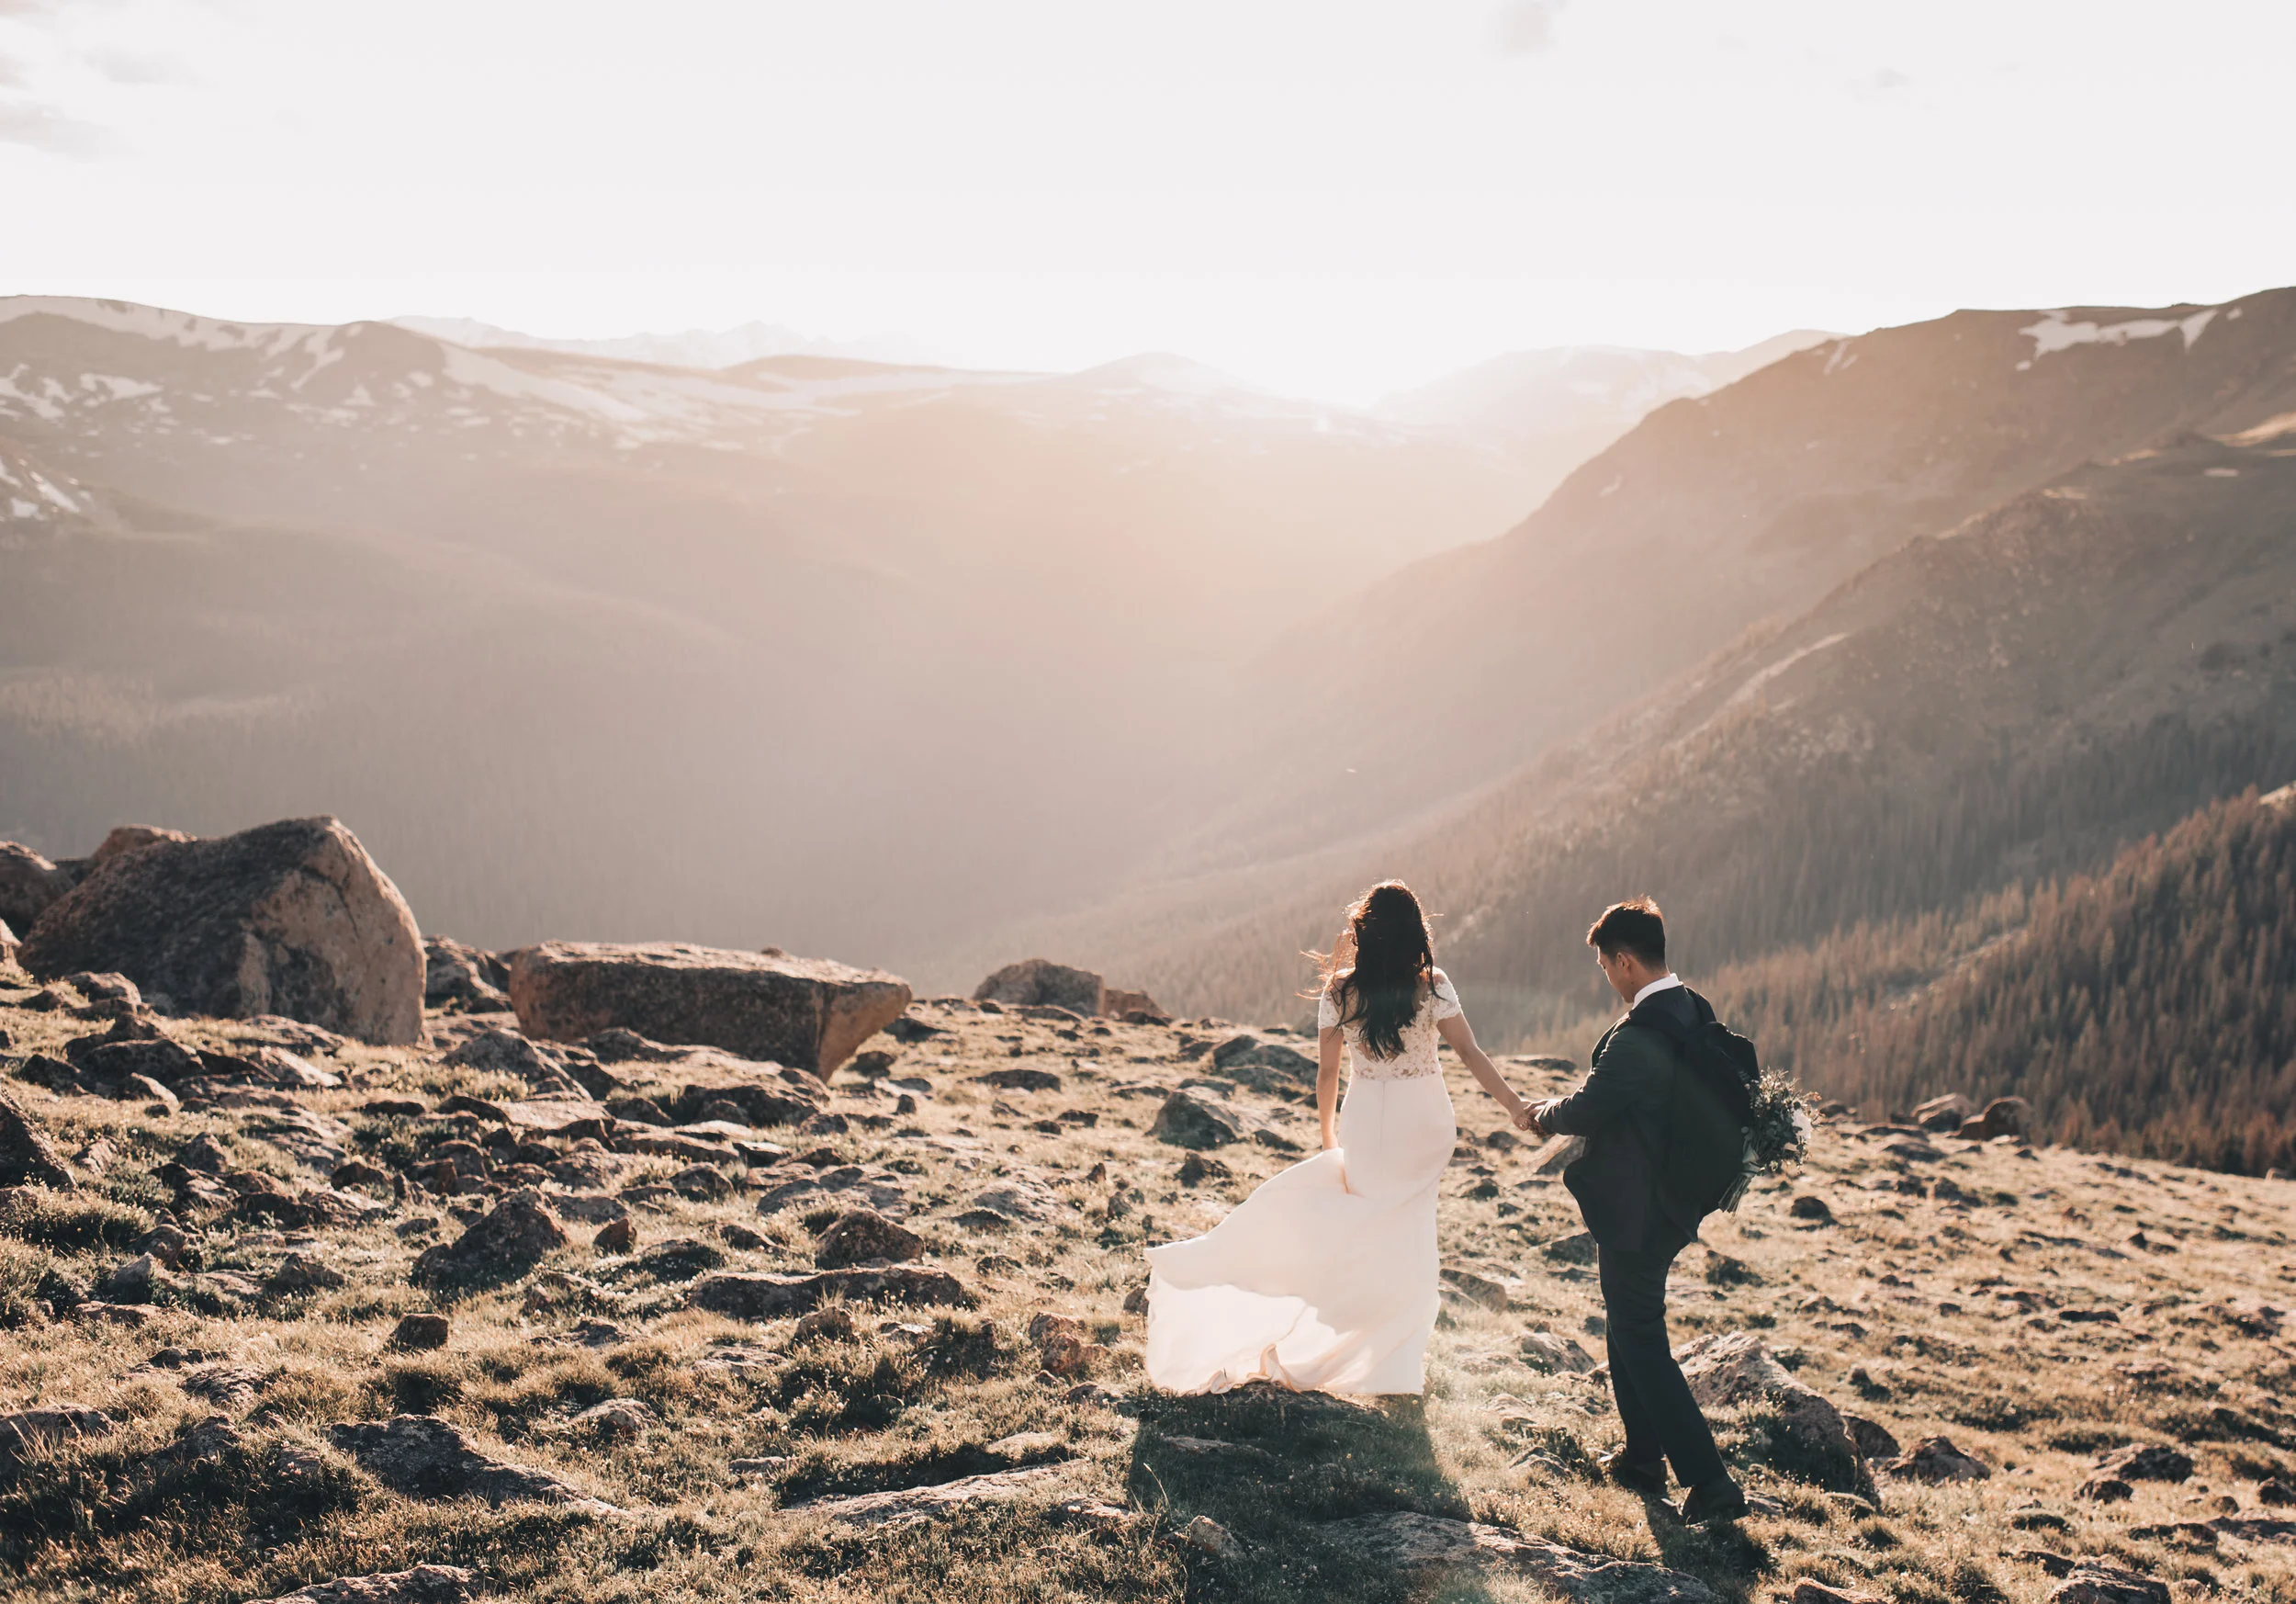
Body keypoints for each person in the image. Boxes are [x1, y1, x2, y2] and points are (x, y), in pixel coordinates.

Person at [1144, 879, 1536, 1395]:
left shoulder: (1339, 991)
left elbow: (1327, 1076)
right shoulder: (1433, 984)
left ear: (1364, 933)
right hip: (1425, 1123)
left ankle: (1357, 1342)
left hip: (1367, 1121)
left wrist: (1329, 1139)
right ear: (1415, 931)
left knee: (1369, 1227)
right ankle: (1396, 1361)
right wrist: (1514, 1107)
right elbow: (1470, 1053)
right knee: (1411, 1236)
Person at [1525, 897, 1748, 1524]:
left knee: (1640, 1335)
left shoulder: (1641, 1036)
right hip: (1673, 1201)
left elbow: (1590, 1107)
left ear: (1625, 961)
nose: (1605, 977)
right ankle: (1642, 1460)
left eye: (1604, 965)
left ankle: (1710, 1482)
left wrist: (1542, 1113)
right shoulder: (1691, 1009)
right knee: (1627, 1324)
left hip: (1638, 1210)